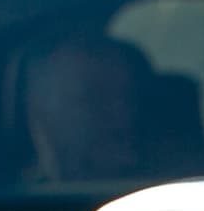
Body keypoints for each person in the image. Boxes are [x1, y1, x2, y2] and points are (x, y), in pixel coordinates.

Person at [16, 32, 147, 188]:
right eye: (93, 99)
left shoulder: (167, 197)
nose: (122, 116)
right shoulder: (0, 202)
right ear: (39, 113)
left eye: (128, 98)